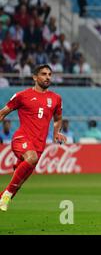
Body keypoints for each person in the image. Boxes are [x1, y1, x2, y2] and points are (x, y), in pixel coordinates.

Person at [0, 64, 66, 211]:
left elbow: (58, 118)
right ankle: (7, 193)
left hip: (39, 146)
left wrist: (56, 133)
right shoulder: (22, 96)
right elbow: (2, 113)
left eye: (49, 74)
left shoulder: (56, 98)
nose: (47, 77)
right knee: (31, 158)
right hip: (21, 138)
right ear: (35, 77)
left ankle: (5, 195)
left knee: (20, 181)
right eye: (43, 74)